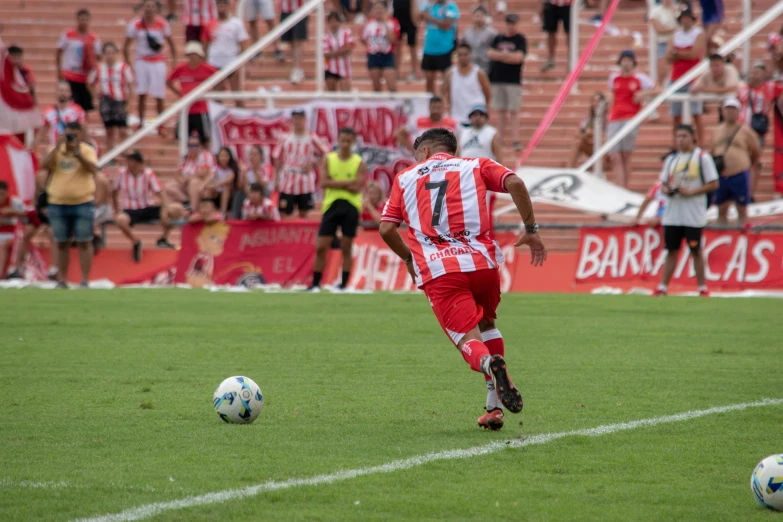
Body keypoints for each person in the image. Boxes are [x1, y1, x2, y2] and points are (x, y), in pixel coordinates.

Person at [378, 127, 547, 430]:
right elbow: (516, 182)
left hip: (440, 271)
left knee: (468, 341)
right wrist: (531, 230)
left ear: (425, 151)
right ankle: (494, 409)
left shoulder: (405, 178)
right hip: (482, 264)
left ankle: (488, 365)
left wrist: (407, 257)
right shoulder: (476, 165)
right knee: (488, 325)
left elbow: (387, 229)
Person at [655, 124, 719, 297]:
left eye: (684, 136)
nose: (681, 140)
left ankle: (702, 287)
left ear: (692, 137)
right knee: (671, 250)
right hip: (673, 214)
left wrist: (692, 192)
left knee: (695, 249)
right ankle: (662, 287)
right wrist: (668, 190)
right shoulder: (671, 160)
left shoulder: (702, 157)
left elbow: (714, 183)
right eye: (678, 136)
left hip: (693, 214)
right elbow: (663, 184)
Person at [41, 122, 98, 289]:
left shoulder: (87, 150)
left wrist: (77, 153)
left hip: (82, 201)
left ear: (80, 134)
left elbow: (93, 169)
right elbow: (44, 165)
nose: (70, 137)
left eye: (73, 134)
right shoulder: (55, 149)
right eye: (68, 134)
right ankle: (62, 279)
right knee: (61, 242)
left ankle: (85, 280)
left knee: (84, 241)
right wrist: (59, 146)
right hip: (58, 202)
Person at [309, 127, 366, 291]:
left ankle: (343, 284)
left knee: (346, 247)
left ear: (353, 142)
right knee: (321, 246)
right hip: (331, 205)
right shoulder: (329, 159)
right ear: (338, 141)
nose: (345, 144)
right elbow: (324, 183)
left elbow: (357, 188)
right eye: (343, 140)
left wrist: (336, 182)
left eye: (349, 141)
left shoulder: (358, 162)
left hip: (351, 205)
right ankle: (315, 284)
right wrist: (347, 182)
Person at [113, 150, 180, 262]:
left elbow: (160, 192)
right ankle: (136, 242)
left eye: (131, 160)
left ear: (138, 163)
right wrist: (116, 209)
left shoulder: (148, 173)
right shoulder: (121, 174)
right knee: (120, 220)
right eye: (128, 160)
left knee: (177, 210)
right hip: (130, 209)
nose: (128, 163)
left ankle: (163, 237)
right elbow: (114, 192)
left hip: (147, 207)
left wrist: (165, 208)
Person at [124, 0, 177, 132]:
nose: (149, 9)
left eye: (152, 6)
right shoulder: (135, 24)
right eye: (147, 6)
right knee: (141, 93)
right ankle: (141, 122)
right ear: (143, 8)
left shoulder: (162, 24)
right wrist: (130, 64)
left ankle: (161, 124)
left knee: (159, 95)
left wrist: (173, 62)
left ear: (156, 9)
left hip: (158, 62)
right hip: (142, 61)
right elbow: (126, 46)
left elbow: (171, 43)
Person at [607, 50, 654, 188]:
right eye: (624, 60)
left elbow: (657, 89)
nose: (626, 63)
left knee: (626, 154)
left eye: (628, 60)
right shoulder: (614, 78)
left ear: (633, 62)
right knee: (614, 154)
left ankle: (624, 186)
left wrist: (643, 93)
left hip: (631, 118)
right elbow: (611, 96)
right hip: (615, 117)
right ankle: (620, 185)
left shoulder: (639, 78)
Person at [710, 98, 760, 225]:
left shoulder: (746, 131)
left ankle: (743, 235)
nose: (730, 112)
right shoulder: (716, 130)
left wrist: (746, 163)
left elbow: (755, 151)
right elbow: (712, 150)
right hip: (722, 174)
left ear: (738, 112)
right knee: (721, 208)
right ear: (723, 111)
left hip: (739, 173)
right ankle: (722, 235)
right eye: (727, 109)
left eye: (733, 110)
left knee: (742, 208)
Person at [272, 109, 330, 218]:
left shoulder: (311, 138)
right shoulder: (285, 138)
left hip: (304, 180)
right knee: (284, 211)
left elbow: (325, 153)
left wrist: (313, 165)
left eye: (300, 118)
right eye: (295, 118)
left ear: (304, 120)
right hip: (287, 179)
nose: (297, 121)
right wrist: (276, 178)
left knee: (304, 212)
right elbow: (278, 159)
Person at [737, 63, 783, 196]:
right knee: (740, 160)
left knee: (754, 161)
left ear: (764, 74)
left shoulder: (770, 88)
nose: (753, 75)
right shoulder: (742, 89)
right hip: (740, 130)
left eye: (757, 72)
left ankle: (750, 193)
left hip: (756, 131)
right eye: (752, 72)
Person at [667, 8, 706, 148]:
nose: (685, 20)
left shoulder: (698, 34)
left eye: (687, 17)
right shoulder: (675, 34)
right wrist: (681, 53)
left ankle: (701, 144)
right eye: (683, 17)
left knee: (696, 113)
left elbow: (694, 54)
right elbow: (668, 56)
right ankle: (676, 144)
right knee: (676, 115)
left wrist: (677, 53)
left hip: (692, 78)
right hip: (676, 78)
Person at [487, 14, 526, 151]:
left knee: (514, 111)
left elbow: (519, 58)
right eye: (509, 23)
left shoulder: (520, 39)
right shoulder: (498, 38)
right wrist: (508, 56)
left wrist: (502, 56)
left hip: (513, 81)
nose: (511, 25)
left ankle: (515, 140)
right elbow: (490, 54)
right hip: (497, 79)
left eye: (513, 23)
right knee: (501, 110)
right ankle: (501, 139)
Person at [167, 42, 220, 142]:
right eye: (190, 55)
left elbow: (221, 79)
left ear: (199, 56)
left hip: (201, 109)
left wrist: (210, 93)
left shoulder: (207, 69)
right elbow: (169, 81)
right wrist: (179, 93)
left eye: (194, 54)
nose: (192, 57)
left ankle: (206, 156)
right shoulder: (181, 68)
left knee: (205, 138)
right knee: (182, 138)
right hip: (185, 108)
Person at [90, 42, 134, 154]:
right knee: (109, 130)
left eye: (112, 53)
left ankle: (126, 152)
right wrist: (95, 97)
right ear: (103, 55)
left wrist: (129, 103)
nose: (110, 56)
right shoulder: (99, 68)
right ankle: (110, 154)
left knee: (123, 130)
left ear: (116, 54)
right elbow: (90, 82)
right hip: (106, 101)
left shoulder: (124, 67)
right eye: (107, 53)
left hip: (119, 101)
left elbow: (131, 85)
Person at [202, 0, 249, 103]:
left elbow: (244, 46)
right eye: (219, 3)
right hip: (214, 63)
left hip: (232, 62)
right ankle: (218, 118)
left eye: (224, 3)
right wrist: (205, 65)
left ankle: (241, 118)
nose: (221, 6)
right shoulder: (210, 24)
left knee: (237, 95)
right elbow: (205, 46)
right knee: (217, 95)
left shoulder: (236, 24)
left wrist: (239, 64)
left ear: (228, 5)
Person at [56, 9, 102, 113]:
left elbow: (99, 56)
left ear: (89, 20)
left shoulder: (93, 38)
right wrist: (59, 71)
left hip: (86, 77)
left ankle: (82, 126)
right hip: (70, 74)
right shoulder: (68, 34)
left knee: (85, 106)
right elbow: (59, 52)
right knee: (71, 104)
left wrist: (90, 57)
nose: (83, 22)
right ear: (77, 19)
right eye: (81, 19)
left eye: (85, 19)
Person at [442, 43, 491, 126]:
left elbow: (488, 93)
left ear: (470, 55)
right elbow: (443, 91)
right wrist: (447, 107)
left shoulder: (479, 73)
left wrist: (485, 110)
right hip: (457, 118)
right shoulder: (450, 73)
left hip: (475, 118)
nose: (463, 57)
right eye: (460, 55)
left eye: (465, 54)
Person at [420, 0, 460, 94]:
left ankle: (445, 101)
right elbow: (417, 17)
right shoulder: (429, 6)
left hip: (445, 48)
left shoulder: (451, 7)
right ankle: (431, 103)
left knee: (447, 79)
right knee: (429, 78)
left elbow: (446, 24)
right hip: (429, 48)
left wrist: (429, 18)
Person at [167, 134, 217, 208]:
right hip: (186, 183)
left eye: (195, 145)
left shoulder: (205, 156)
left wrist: (187, 178)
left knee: (194, 183)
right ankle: (184, 204)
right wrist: (181, 180)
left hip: (204, 182)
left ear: (200, 146)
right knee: (168, 186)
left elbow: (203, 173)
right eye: (190, 145)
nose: (192, 148)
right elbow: (177, 173)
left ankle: (193, 210)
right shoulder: (186, 158)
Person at [361, 2, 400, 93]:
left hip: (387, 55)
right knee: (376, 87)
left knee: (392, 86)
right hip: (373, 55)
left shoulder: (392, 23)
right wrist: (371, 46)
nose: (378, 11)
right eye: (376, 8)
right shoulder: (368, 24)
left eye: (381, 8)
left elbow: (393, 39)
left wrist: (384, 23)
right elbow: (363, 38)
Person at [36, 81, 86, 148]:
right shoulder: (48, 111)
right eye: (61, 90)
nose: (63, 93)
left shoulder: (77, 110)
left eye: (66, 91)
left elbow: (84, 130)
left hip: (72, 149)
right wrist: (33, 146)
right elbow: (41, 133)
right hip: (55, 149)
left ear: (70, 93)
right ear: (56, 92)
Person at [568, 92, 611, 169]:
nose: (595, 104)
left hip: (605, 149)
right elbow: (579, 133)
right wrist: (588, 135)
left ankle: (599, 167)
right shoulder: (587, 119)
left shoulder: (609, 118)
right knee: (578, 141)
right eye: (594, 101)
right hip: (592, 146)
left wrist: (595, 135)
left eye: (597, 101)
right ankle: (570, 169)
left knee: (601, 141)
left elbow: (609, 136)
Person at [232, 145, 275, 217]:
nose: (252, 157)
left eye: (255, 154)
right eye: (251, 154)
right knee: (239, 194)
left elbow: (263, 184)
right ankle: (235, 219)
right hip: (249, 191)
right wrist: (243, 173)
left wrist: (256, 171)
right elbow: (240, 186)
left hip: (263, 191)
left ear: (261, 157)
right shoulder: (246, 168)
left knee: (265, 191)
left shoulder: (267, 167)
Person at [7, 45, 36, 144]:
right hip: (8, 110)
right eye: (13, 58)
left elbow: (30, 89)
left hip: (22, 111)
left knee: (23, 139)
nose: (16, 61)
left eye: (18, 57)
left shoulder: (26, 71)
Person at [648, 0, 680, 87]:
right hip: (664, 44)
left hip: (678, 44)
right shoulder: (656, 11)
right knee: (662, 73)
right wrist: (675, 29)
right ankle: (660, 93)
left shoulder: (677, 9)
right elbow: (659, 30)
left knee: (676, 71)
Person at [323, 12, 356, 92]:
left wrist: (334, 52)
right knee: (331, 93)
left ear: (340, 22)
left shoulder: (346, 33)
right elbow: (326, 54)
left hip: (344, 68)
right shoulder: (325, 37)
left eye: (336, 21)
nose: (334, 24)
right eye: (331, 21)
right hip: (330, 68)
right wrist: (342, 50)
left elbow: (350, 47)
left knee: (345, 93)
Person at [460, 7, 496, 76]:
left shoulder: (491, 33)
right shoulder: (467, 33)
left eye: (481, 16)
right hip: (470, 66)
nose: (478, 18)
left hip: (486, 67)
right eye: (476, 16)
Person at [0, 181, 25, 278]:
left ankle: (1, 274)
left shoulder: (14, 202)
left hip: (12, 234)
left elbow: (28, 214)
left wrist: (14, 212)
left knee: (3, 245)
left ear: (7, 193)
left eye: (2, 194)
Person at [280, 0, 309, 84]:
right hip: (285, 10)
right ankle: (295, 68)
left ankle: (297, 69)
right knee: (290, 42)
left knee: (297, 41)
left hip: (299, 9)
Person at [204, 147, 238, 216]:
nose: (224, 158)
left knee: (226, 186)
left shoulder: (231, 169)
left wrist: (216, 184)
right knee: (208, 189)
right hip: (217, 193)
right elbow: (210, 177)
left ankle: (223, 212)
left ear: (229, 157)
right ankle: (206, 211)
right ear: (218, 157)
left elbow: (229, 179)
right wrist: (205, 185)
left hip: (228, 195)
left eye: (226, 156)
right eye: (222, 156)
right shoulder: (215, 168)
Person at [392, 0, 420, 82]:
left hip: (410, 20)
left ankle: (414, 71)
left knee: (412, 46)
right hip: (397, 19)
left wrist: (414, 18)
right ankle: (396, 71)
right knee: (397, 46)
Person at [540, 0, 571, 73]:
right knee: (550, 31)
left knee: (569, 32)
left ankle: (571, 59)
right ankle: (551, 59)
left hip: (568, 3)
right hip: (551, 3)